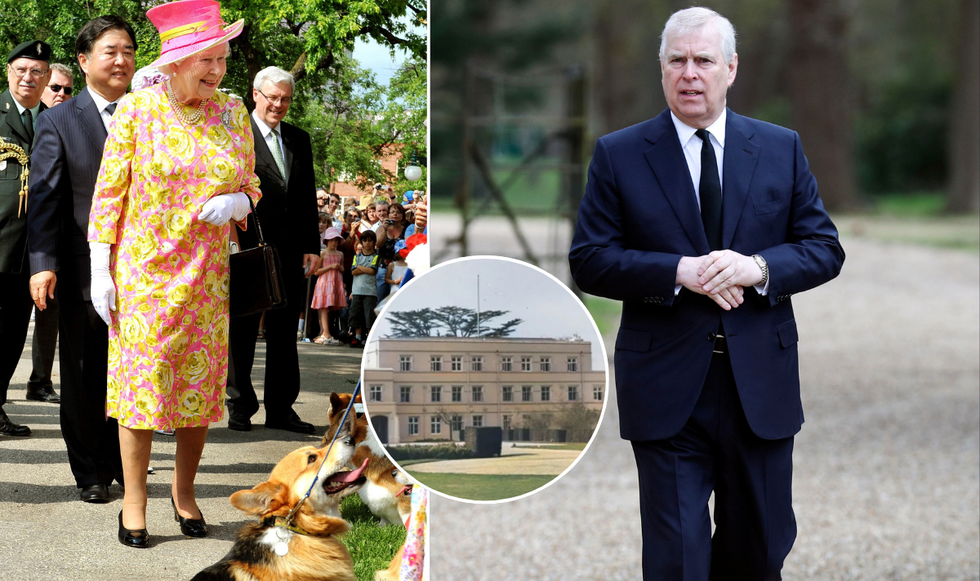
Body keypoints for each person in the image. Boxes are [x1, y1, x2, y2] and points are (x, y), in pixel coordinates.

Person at [568, 7, 845, 580]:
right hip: (666, 386)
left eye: (703, 61)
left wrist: (755, 267)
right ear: (661, 68)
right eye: (677, 60)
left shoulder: (781, 147)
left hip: (760, 386)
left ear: (731, 68)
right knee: (677, 560)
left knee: (761, 552)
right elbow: (589, 260)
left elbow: (823, 247)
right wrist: (679, 271)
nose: (689, 73)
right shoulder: (620, 154)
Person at [86, 0, 255, 547]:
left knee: (198, 390)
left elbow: (252, 184)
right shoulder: (138, 109)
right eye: (207, 59)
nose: (217, 70)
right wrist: (100, 269)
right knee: (141, 391)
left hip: (207, 278)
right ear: (176, 60)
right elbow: (108, 195)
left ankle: (184, 492)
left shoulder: (234, 113)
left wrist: (237, 201)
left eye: (223, 59)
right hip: (144, 276)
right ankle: (134, 502)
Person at [28, 16, 138, 503]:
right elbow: (45, 198)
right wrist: (42, 262)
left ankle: (124, 462)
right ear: (84, 60)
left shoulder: (150, 113)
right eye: (110, 51)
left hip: (143, 269)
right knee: (83, 369)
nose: (121, 60)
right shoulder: (58, 119)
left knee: (131, 371)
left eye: (128, 51)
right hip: (79, 268)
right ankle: (91, 470)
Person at [226, 65, 320, 434]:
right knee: (242, 329)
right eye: (273, 97)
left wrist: (311, 246)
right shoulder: (236, 135)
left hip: (291, 249)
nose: (278, 105)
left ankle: (281, 409)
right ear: (256, 95)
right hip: (247, 245)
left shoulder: (298, 139)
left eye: (285, 99)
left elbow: (306, 197)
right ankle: (240, 405)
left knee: (284, 332)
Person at [0, 39, 51, 437]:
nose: (28, 78)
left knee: (12, 335)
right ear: (9, 72)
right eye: (21, 69)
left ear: (47, 77)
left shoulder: (54, 120)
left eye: (37, 71)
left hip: (31, 254)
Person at [26, 64, 76, 406]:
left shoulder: (72, 123)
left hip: (55, 238)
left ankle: (40, 381)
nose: (61, 94)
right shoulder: (26, 121)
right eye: (55, 87)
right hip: (19, 236)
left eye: (67, 90)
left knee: (49, 313)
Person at [311, 227, 346, 345]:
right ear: (326, 241)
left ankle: (325, 332)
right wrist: (331, 267)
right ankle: (325, 333)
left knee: (329, 308)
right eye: (331, 240)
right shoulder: (323, 253)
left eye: (336, 240)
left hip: (335, 282)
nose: (334, 242)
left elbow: (342, 269)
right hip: (324, 282)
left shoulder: (340, 254)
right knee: (324, 308)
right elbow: (316, 272)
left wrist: (341, 268)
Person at [348, 229, 379, 348]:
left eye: (370, 241)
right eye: (365, 241)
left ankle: (369, 338)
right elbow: (353, 272)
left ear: (374, 242)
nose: (367, 243)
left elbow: (372, 271)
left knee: (369, 315)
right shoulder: (356, 257)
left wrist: (360, 267)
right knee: (356, 314)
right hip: (357, 291)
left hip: (370, 292)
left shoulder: (376, 256)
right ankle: (357, 337)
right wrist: (365, 268)